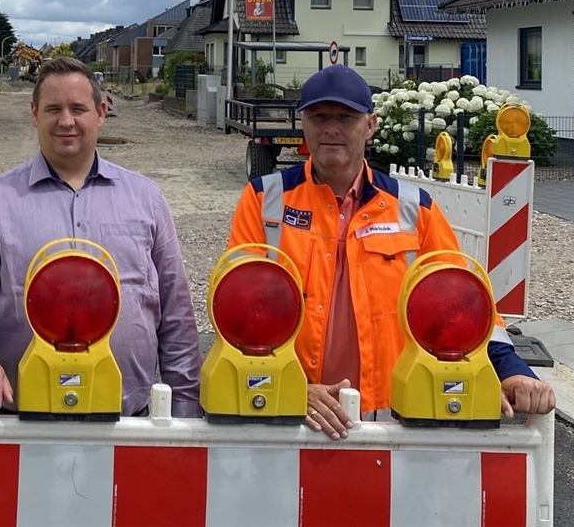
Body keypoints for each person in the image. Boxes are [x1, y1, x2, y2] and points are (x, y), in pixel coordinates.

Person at [227, 65, 554, 440]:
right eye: (319, 117)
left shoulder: (415, 209)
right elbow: (237, 317)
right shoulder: (263, 201)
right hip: (293, 412)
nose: (331, 128)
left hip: (393, 417)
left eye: (346, 117)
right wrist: (290, 390)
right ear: (304, 124)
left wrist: (512, 369)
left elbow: (464, 304)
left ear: (370, 126)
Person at [0, 57, 203, 418]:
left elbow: (176, 314)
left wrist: (184, 409)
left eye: (78, 108)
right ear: (33, 114)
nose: (66, 121)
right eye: (53, 109)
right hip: (21, 423)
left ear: (101, 113)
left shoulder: (146, 199)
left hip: (129, 423)